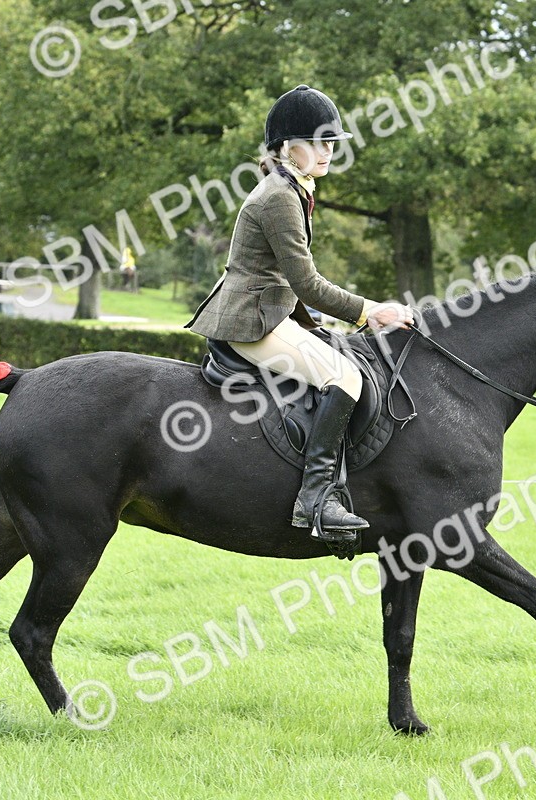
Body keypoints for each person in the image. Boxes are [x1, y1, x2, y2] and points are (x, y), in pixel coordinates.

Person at [185, 84, 414, 546]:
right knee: (345, 377)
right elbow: (307, 282)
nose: (328, 152)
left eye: (332, 143)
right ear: (289, 146)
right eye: (319, 142)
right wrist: (370, 311)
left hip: (266, 312)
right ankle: (316, 500)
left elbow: (290, 281)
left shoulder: (293, 187)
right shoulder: (279, 196)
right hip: (251, 321)